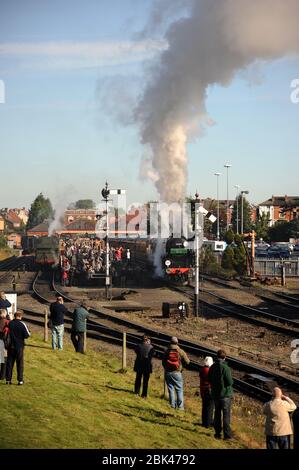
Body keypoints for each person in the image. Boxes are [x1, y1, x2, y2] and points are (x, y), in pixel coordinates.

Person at [208, 349, 234, 440]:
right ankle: (227, 435)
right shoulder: (225, 368)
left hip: (216, 394)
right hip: (225, 395)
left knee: (217, 414)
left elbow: (209, 379)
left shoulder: (212, 367)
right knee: (226, 415)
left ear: (217, 356)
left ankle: (217, 433)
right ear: (225, 357)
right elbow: (230, 382)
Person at [162, 336, 190, 410]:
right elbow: (188, 361)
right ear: (177, 342)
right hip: (177, 372)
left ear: (170, 342)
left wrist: (166, 368)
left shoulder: (167, 350)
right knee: (179, 389)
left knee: (170, 389)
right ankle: (180, 407)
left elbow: (163, 362)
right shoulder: (180, 351)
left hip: (168, 373)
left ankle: (172, 405)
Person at [5, 310, 30, 385]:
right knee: (19, 363)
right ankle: (20, 380)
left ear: (15, 316)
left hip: (10, 346)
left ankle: (8, 380)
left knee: (9, 363)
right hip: (19, 346)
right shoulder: (22, 324)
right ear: (20, 316)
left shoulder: (10, 323)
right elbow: (27, 335)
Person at [200, 356, 214, 428]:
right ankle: (208, 423)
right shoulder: (210, 370)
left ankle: (204, 422)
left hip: (203, 390)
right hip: (209, 390)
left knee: (204, 407)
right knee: (210, 407)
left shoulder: (202, 369)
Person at [0, 309, 9, 380]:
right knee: (4, 359)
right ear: (5, 314)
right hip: (4, 342)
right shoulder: (7, 322)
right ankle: (2, 375)